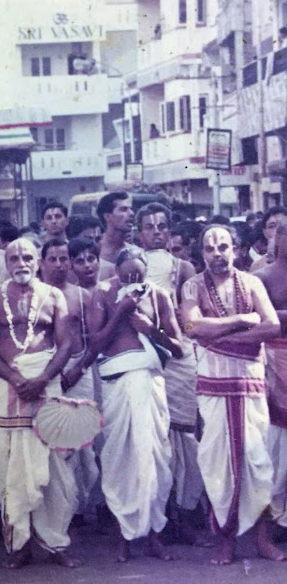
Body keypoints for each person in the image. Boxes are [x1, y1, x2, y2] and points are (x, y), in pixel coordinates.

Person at [64, 247, 183, 563]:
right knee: (119, 461)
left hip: (150, 384)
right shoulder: (102, 294)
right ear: (116, 272)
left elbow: (180, 347)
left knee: (156, 460)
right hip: (116, 385)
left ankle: (154, 537)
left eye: (138, 275)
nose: (133, 279)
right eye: (127, 275)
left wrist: (152, 330)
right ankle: (123, 539)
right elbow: (96, 342)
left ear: (147, 272)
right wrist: (120, 311)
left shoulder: (158, 295)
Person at [180, 225, 284, 565]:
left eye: (223, 247)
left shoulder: (252, 282)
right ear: (202, 253)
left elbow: (271, 326)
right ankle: (226, 542)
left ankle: (262, 540)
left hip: (249, 383)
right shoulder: (192, 286)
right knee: (219, 467)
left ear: (236, 250)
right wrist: (242, 319)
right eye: (210, 248)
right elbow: (191, 326)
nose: (217, 254)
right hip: (214, 385)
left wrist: (221, 338)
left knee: (257, 462)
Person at [0, 238, 78, 569]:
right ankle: (19, 544)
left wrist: (43, 378)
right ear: (6, 263)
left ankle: (55, 543)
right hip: (9, 387)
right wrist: (15, 378)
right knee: (12, 468)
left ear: (37, 262)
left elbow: (66, 345)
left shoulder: (54, 296)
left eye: (27, 257)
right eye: (14, 258)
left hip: (46, 385)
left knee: (54, 468)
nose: (21, 262)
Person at [136, 203, 206, 544]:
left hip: (179, 358)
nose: (157, 232)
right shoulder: (133, 265)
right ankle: (156, 520)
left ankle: (185, 513)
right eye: (150, 227)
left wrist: (179, 322)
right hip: (142, 356)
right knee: (153, 441)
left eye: (162, 226)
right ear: (140, 233)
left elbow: (193, 323)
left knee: (185, 440)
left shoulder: (184, 268)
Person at [40, 240, 98, 522]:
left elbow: (94, 340)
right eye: (52, 259)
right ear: (42, 263)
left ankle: (81, 508)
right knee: (55, 443)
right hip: (46, 373)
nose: (59, 264)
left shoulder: (82, 296)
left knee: (83, 444)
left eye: (64, 259)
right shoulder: (36, 294)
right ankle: (59, 509)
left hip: (78, 371)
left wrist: (79, 369)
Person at [254, 218, 287, 545]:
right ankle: (277, 517)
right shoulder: (262, 278)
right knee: (275, 448)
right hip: (274, 364)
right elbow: (260, 320)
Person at [96, 191, 135, 280]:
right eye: (124, 209)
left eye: (130, 209)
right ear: (108, 216)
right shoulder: (94, 251)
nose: (131, 213)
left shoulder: (135, 252)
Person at [250, 207, 287, 272]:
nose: (277, 230)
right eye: (272, 226)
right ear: (265, 232)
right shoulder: (258, 267)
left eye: (282, 225)